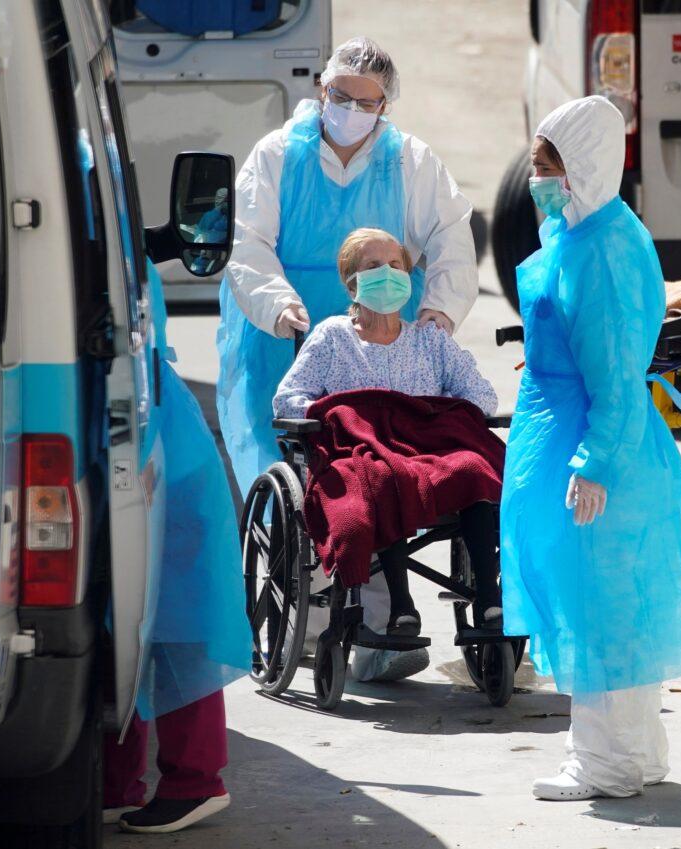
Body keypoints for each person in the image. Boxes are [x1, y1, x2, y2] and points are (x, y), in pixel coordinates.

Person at [221, 36, 477, 681]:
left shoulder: (409, 163)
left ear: (385, 104)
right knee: (292, 460)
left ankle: (381, 623)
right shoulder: (277, 155)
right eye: (341, 96)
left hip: (382, 339)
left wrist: (439, 313)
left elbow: (451, 239)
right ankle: (301, 616)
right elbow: (248, 241)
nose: (351, 109)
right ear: (321, 89)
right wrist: (279, 307)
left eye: (367, 101)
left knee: (382, 462)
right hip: (281, 333)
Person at [499, 97, 681, 802]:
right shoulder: (585, 232)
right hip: (581, 439)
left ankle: (604, 762)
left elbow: (617, 372)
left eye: (545, 167)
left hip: (600, 453)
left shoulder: (602, 250)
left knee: (599, 608)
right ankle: (636, 752)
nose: (534, 179)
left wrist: (593, 463)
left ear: (582, 168)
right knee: (607, 602)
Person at [274, 228, 502, 633]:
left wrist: (436, 415)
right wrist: (339, 417)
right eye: (373, 266)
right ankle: (401, 605)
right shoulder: (333, 337)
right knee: (381, 474)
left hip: (428, 453)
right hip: (364, 454)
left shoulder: (430, 340)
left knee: (472, 467)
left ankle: (489, 597)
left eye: (396, 265)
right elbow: (288, 398)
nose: (388, 273)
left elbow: (482, 397)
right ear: (352, 283)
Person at [101, 261, 252, 835]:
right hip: (154, 446)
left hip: (161, 465)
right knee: (130, 634)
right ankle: (117, 785)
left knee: (173, 632)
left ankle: (194, 781)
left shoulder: (118, 260)